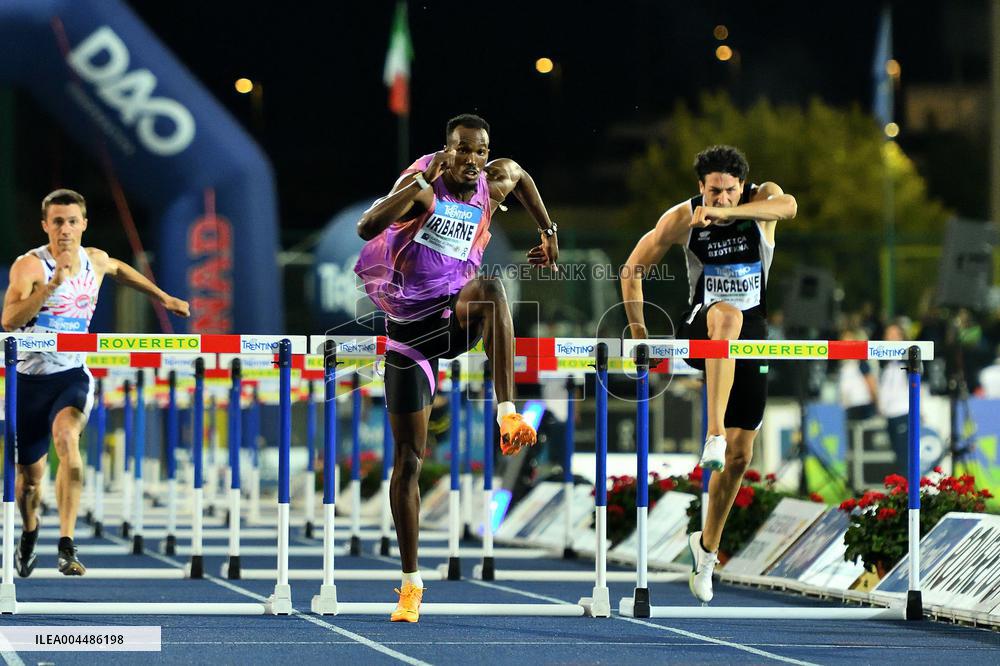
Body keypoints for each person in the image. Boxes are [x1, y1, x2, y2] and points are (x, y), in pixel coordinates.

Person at [353, 114, 558, 622]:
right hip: (409, 336)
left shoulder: (495, 180)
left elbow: (525, 177)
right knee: (409, 460)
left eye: (480, 152)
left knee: (490, 289)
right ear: (446, 152)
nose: (472, 161)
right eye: (463, 151)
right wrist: (413, 194)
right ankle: (410, 583)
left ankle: (508, 413)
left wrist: (547, 231)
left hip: (454, 317)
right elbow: (366, 228)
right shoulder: (422, 185)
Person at [620, 145, 797, 602]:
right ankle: (711, 433)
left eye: (729, 190)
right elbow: (632, 268)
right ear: (701, 187)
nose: (720, 199)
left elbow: (789, 207)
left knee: (741, 456)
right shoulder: (683, 217)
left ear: (743, 187)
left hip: (751, 333)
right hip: (701, 322)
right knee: (725, 316)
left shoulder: (763, 200)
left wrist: (737, 212)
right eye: (713, 191)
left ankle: (706, 548)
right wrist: (639, 331)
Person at [1, 189, 190, 576]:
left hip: (71, 375)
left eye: (72, 221)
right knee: (29, 482)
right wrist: (50, 288)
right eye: (57, 222)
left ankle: (67, 545)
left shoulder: (96, 260)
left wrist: (163, 297)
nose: (65, 230)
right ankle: (31, 531)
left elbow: (121, 269)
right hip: (28, 381)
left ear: (83, 224)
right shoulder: (29, 267)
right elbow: (9, 322)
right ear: (45, 226)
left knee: (67, 439)